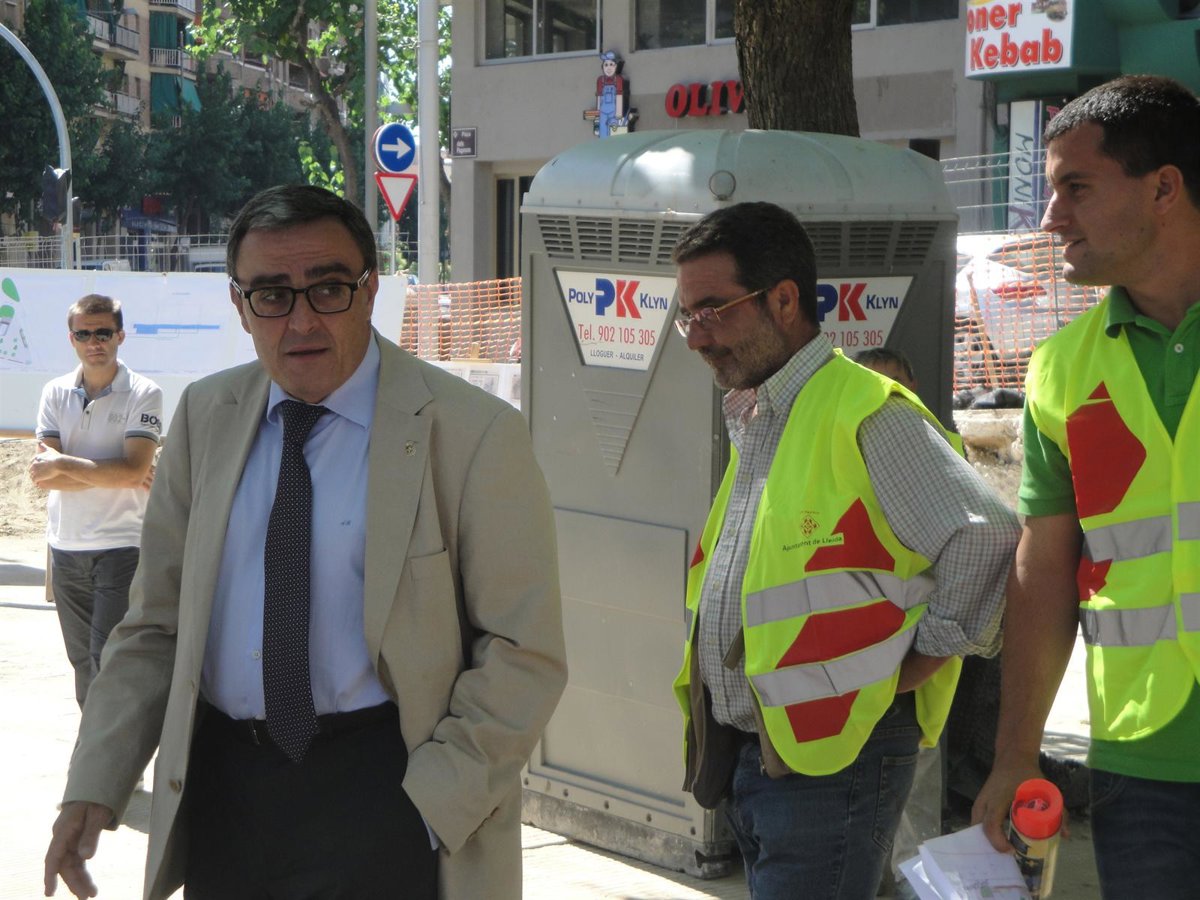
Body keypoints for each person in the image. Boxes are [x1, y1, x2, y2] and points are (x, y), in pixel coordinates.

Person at [43, 184, 567, 900]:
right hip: (226, 798)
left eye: (328, 288)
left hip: (388, 793)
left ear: (370, 289)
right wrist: (95, 782)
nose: (301, 320)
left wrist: (433, 805)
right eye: (272, 295)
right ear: (239, 304)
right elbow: (155, 625)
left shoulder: (471, 433)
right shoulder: (205, 416)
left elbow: (522, 650)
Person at [670, 201, 1019, 899]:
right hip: (762, 758)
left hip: (837, 759)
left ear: (783, 300)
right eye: (687, 317)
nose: (696, 338)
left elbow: (986, 537)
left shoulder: (865, 411)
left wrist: (918, 663)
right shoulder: (765, 413)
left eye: (712, 311)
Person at [972, 74, 1200, 899]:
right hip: (1140, 764)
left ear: (1164, 188)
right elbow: (1043, 571)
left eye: (1077, 187)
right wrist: (1014, 754)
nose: (1049, 218)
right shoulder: (1061, 370)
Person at [29, 294, 161, 710]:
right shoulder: (54, 392)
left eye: (103, 333)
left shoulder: (144, 392)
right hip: (65, 546)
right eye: (84, 334)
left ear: (120, 336)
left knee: (109, 660)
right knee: (83, 663)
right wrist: (115, 474)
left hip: (122, 546)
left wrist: (65, 464)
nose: (94, 342)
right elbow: (45, 478)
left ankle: (116, 750)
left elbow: (133, 470)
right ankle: (96, 746)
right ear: (71, 339)